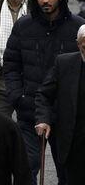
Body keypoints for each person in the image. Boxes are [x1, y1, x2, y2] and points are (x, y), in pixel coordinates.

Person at [4, 0, 85, 184]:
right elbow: (11, 65)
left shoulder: (77, 27)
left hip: (66, 116)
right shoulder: (23, 26)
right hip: (29, 111)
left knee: (68, 172)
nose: (45, 0)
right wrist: (17, 97)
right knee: (25, 168)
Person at [35, 24, 85, 184]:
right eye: (84, 44)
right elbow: (43, 94)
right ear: (78, 44)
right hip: (74, 143)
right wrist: (43, 119)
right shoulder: (64, 63)